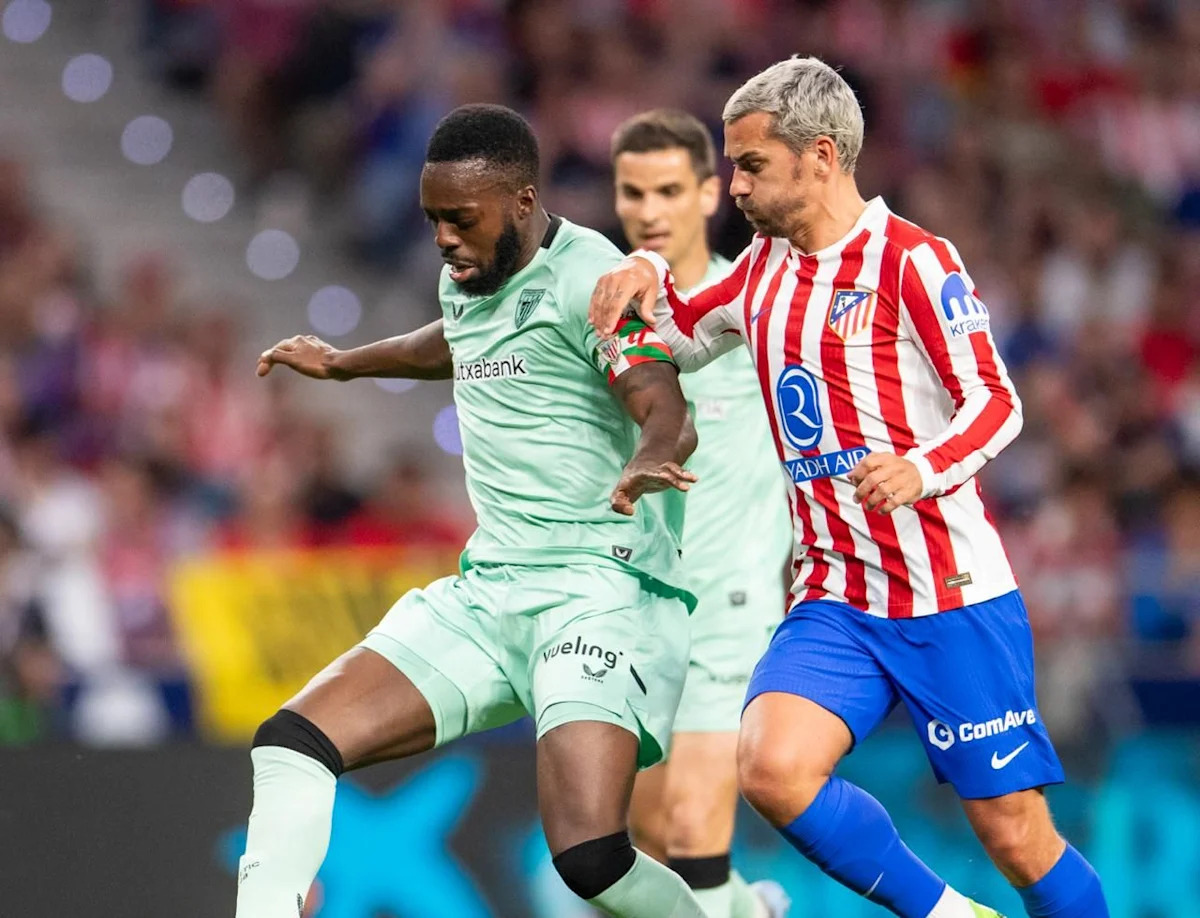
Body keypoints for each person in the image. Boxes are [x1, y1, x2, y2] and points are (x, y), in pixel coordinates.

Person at [589, 58, 1109, 918]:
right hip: (836, 595)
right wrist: (647, 270)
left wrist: (920, 467)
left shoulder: (913, 260)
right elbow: (679, 335)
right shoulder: (762, 268)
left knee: (1016, 835)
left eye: (752, 165)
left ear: (821, 156)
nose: (736, 187)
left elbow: (996, 401)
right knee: (771, 769)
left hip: (948, 594)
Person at [239, 103, 713, 918]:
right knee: (292, 741)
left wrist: (652, 453)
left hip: (600, 591)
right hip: (491, 592)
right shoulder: (470, 275)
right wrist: (346, 363)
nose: (443, 238)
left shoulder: (592, 282)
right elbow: (456, 338)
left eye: (460, 219)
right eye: (433, 219)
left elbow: (661, 401)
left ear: (523, 202)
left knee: (590, 858)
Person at [610, 110, 792, 918]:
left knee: (691, 826)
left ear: (711, 192)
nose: (650, 211)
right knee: (643, 842)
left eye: (670, 190)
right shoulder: (605, 314)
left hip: (731, 601)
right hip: (639, 606)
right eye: (634, 192)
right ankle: (753, 911)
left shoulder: (754, 303)